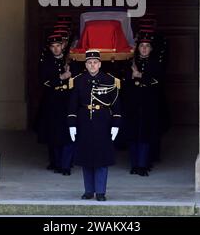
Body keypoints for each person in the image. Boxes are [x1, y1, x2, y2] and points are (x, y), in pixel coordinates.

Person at [67, 50, 121, 201]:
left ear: (100, 64)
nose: (92, 65)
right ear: (86, 64)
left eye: (95, 62)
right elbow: (73, 105)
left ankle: (101, 192)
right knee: (86, 158)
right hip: (84, 122)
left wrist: (116, 125)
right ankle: (89, 191)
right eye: (89, 63)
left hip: (103, 122)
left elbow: (116, 107)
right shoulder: (79, 80)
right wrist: (72, 124)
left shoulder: (109, 80)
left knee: (102, 159)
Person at [124, 31, 162, 176]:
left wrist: (140, 76)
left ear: (151, 49)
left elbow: (157, 82)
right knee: (133, 135)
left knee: (145, 135)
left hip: (148, 104)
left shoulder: (155, 64)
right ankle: (134, 164)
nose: (144, 49)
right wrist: (131, 76)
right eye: (142, 46)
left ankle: (143, 164)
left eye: (147, 46)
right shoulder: (130, 63)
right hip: (133, 105)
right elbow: (124, 82)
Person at [38, 34, 74, 175]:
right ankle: (55, 162)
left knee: (67, 133)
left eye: (58, 46)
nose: (56, 49)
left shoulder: (71, 61)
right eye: (53, 47)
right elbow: (44, 81)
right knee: (53, 133)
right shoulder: (45, 62)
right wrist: (61, 77)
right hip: (52, 101)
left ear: (63, 46)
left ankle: (66, 164)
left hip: (67, 101)